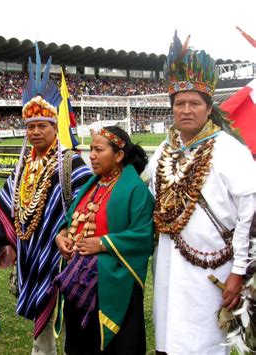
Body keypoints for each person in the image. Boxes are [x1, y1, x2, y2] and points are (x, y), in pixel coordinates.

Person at [148, 32, 256, 354]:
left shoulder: (230, 151)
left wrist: (238, 273)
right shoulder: (164, 151)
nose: (186, 110)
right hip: (168, 264)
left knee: (203, 342)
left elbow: (250, 214)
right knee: (169, 336)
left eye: (195, 103)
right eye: (179, 103)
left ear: (209, 109)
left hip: (213, 270)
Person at [0, 49, 93, 354]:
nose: (35, 132)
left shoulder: (69, 163)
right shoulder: (23, 165)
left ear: (54, 129)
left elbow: (87, 204)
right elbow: (8, 202)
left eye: (42, 126)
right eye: (30, 127)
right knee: (41, 312)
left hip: (59, 253)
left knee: (60, 310)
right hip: (29, 251)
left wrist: (66, 234)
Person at [54, 126, 154, 354]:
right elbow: (71, 220)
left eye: (99, 150)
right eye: (91, 149)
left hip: (112, 285)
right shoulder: (92, 184)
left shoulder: (135, 190)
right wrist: (61, 237)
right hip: (78, 280)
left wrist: (102, 243)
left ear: (119, 155)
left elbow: (144, 236)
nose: (92, 155)